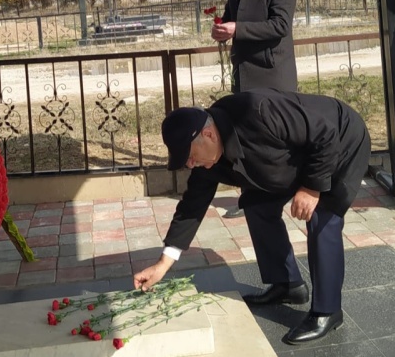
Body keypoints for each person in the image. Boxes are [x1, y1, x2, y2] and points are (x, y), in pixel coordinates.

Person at [133, 89, 371, 345]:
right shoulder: (207, 163)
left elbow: (325, 133)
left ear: (209, 134)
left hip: (341, 141)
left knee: (323, 218)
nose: (190, 164)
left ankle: (327, 311)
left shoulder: (259, 111)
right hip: (295, 160)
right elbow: (191, 207)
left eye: (190, 157)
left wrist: (312, 188)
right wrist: (163, 264)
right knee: (257, 205)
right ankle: (287, 285)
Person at [213, 0, 298, 218]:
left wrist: (237, 29)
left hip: (272, 72)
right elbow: (230, 18)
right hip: (243, 71)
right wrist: (222, 30)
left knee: (277, 138)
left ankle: (284, 190)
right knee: (246, 138)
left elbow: (280, 25)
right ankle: (251, 197)